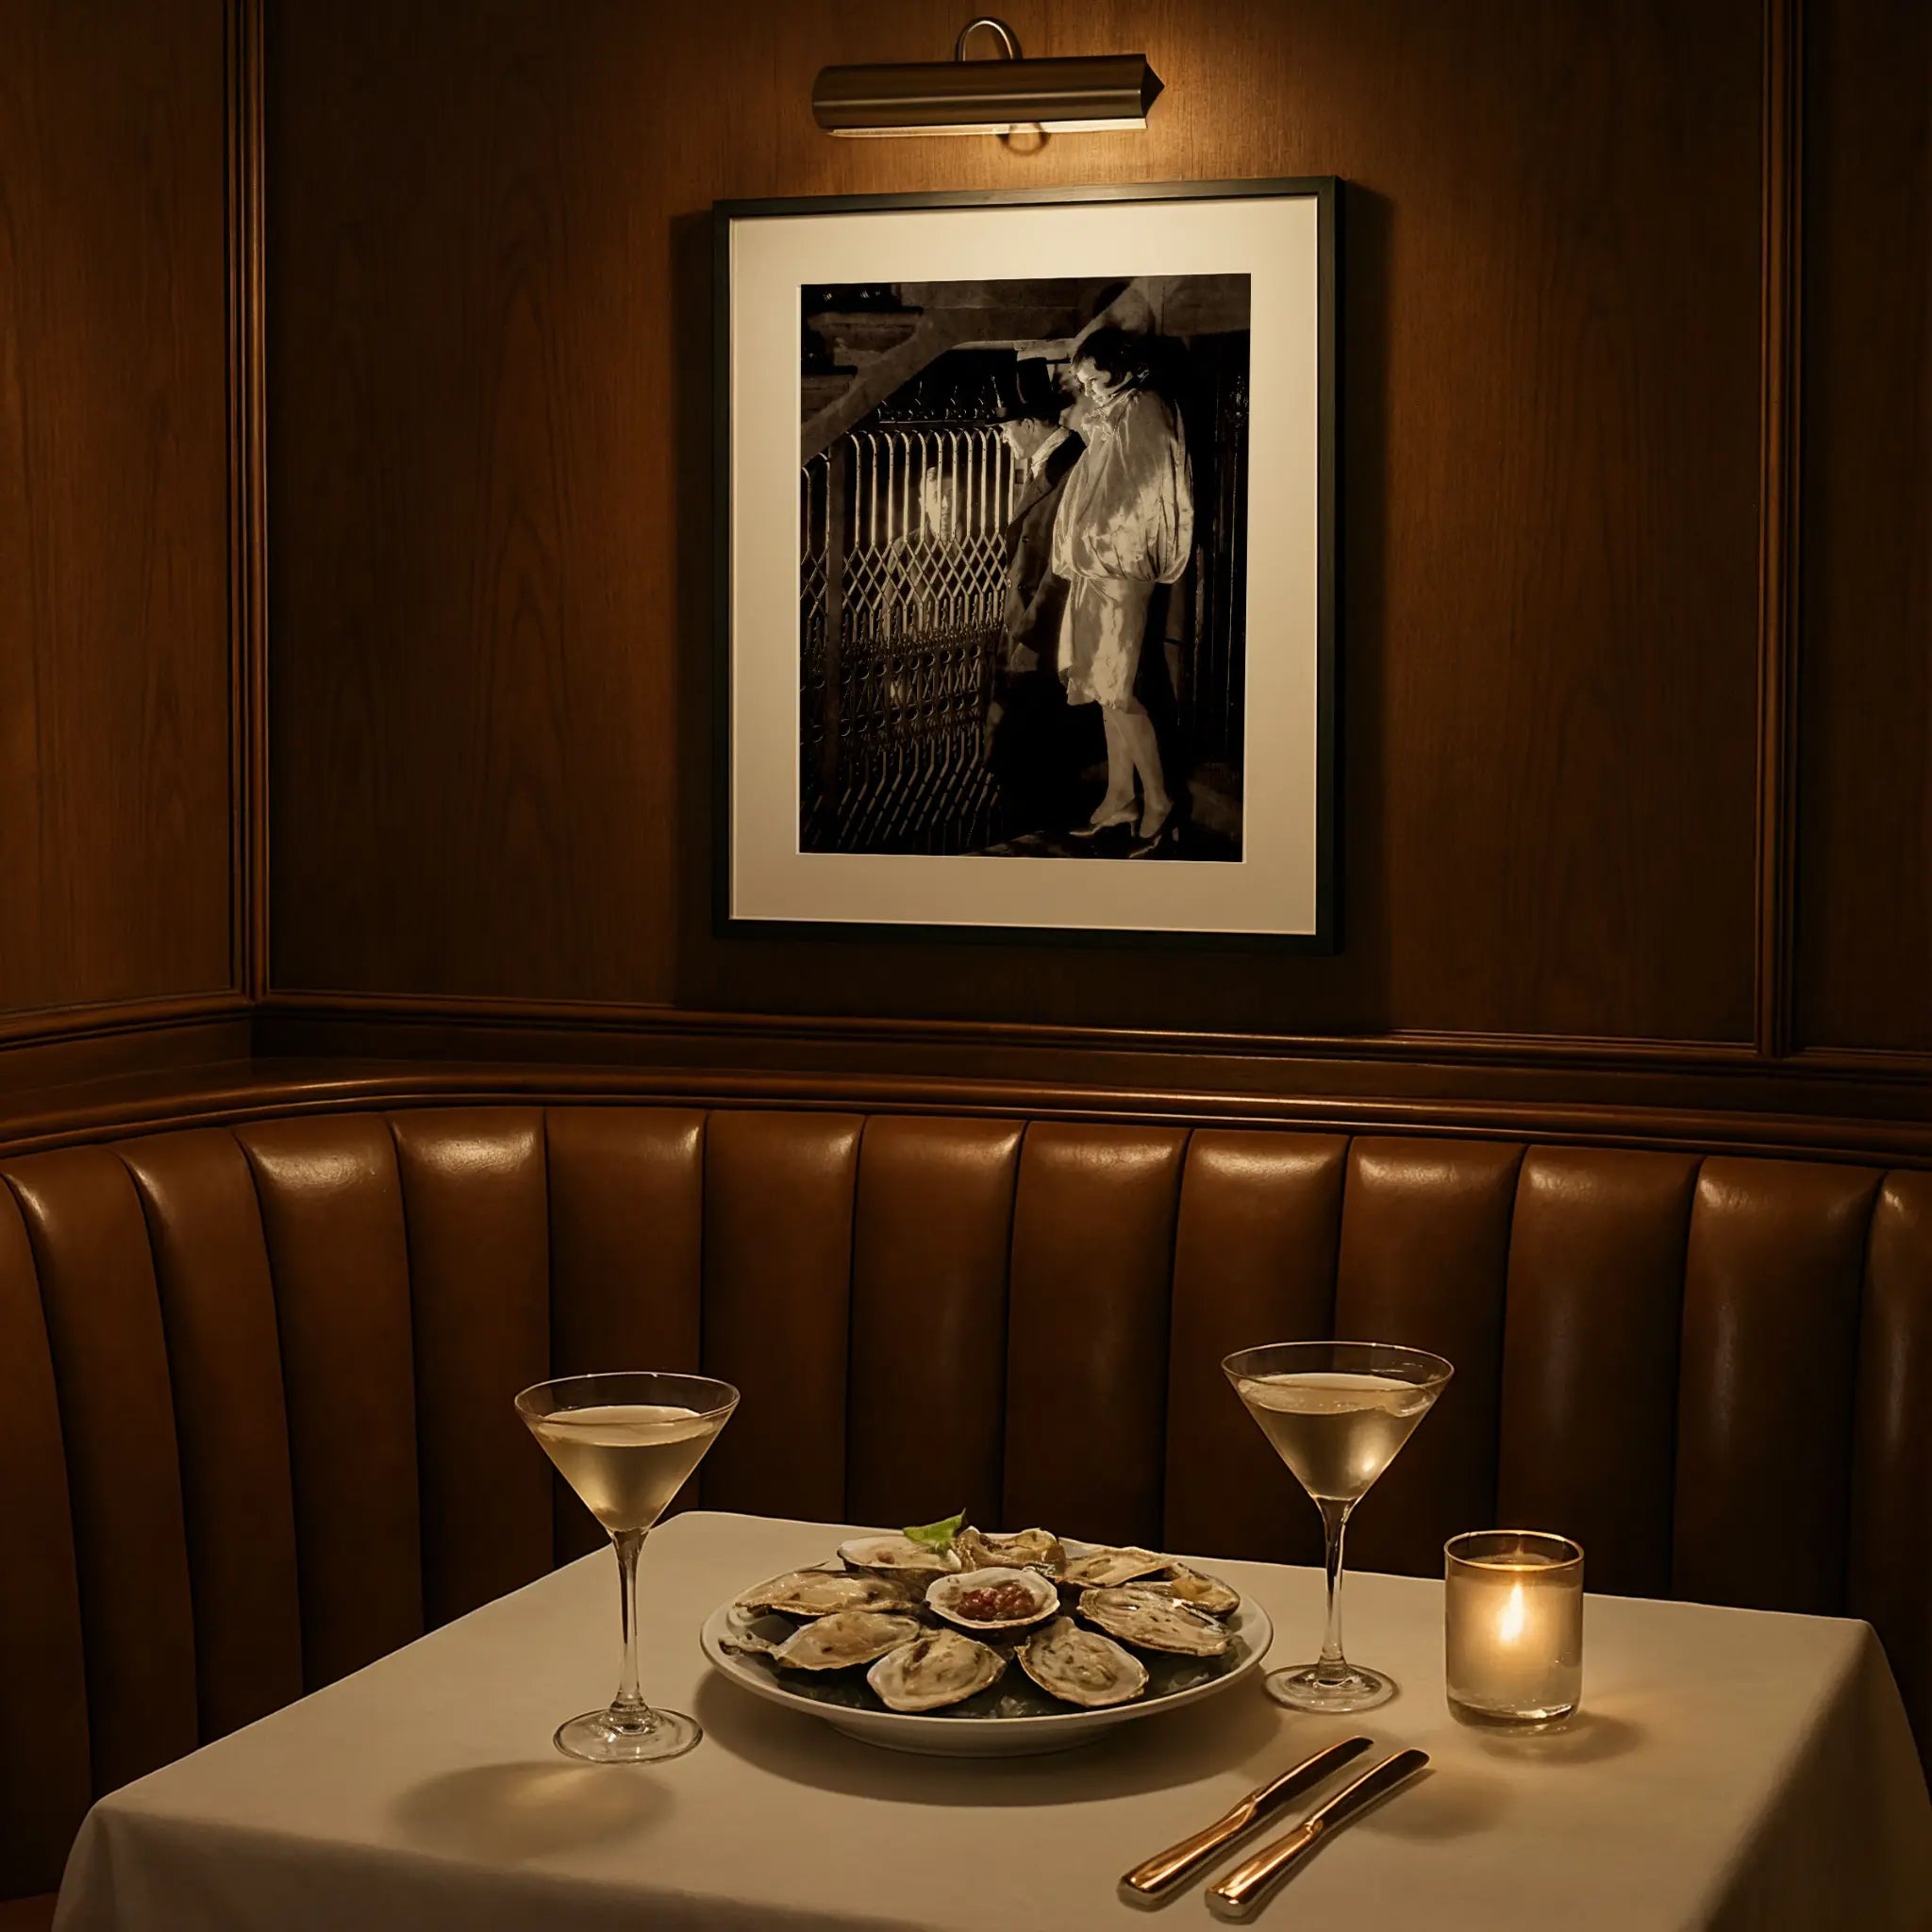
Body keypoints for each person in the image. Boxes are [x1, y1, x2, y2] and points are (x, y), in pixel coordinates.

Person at [1049, 327, 1194, 856]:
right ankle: (1120, 795)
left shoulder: (1145, 408)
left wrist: (1099, 543)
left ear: (1117, 367)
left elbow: (1143, 491)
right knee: (1101, 686)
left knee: (1121, 688)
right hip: (1094, 568)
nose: (1085, 385)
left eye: (1091, 374)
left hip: (1118, 569)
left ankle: (1158, 800)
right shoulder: (1114, 410)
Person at [983, 382, 1084, 836]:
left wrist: (1033, 635)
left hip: (1046, 628)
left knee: (1034, 748)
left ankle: (1039, 843)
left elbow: (1064, 565)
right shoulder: (1050, 462)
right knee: (1021, 743)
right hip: (1027, 621)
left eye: (1007, 429)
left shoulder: (1073, 466)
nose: (1004, 439)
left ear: (1027, 425)